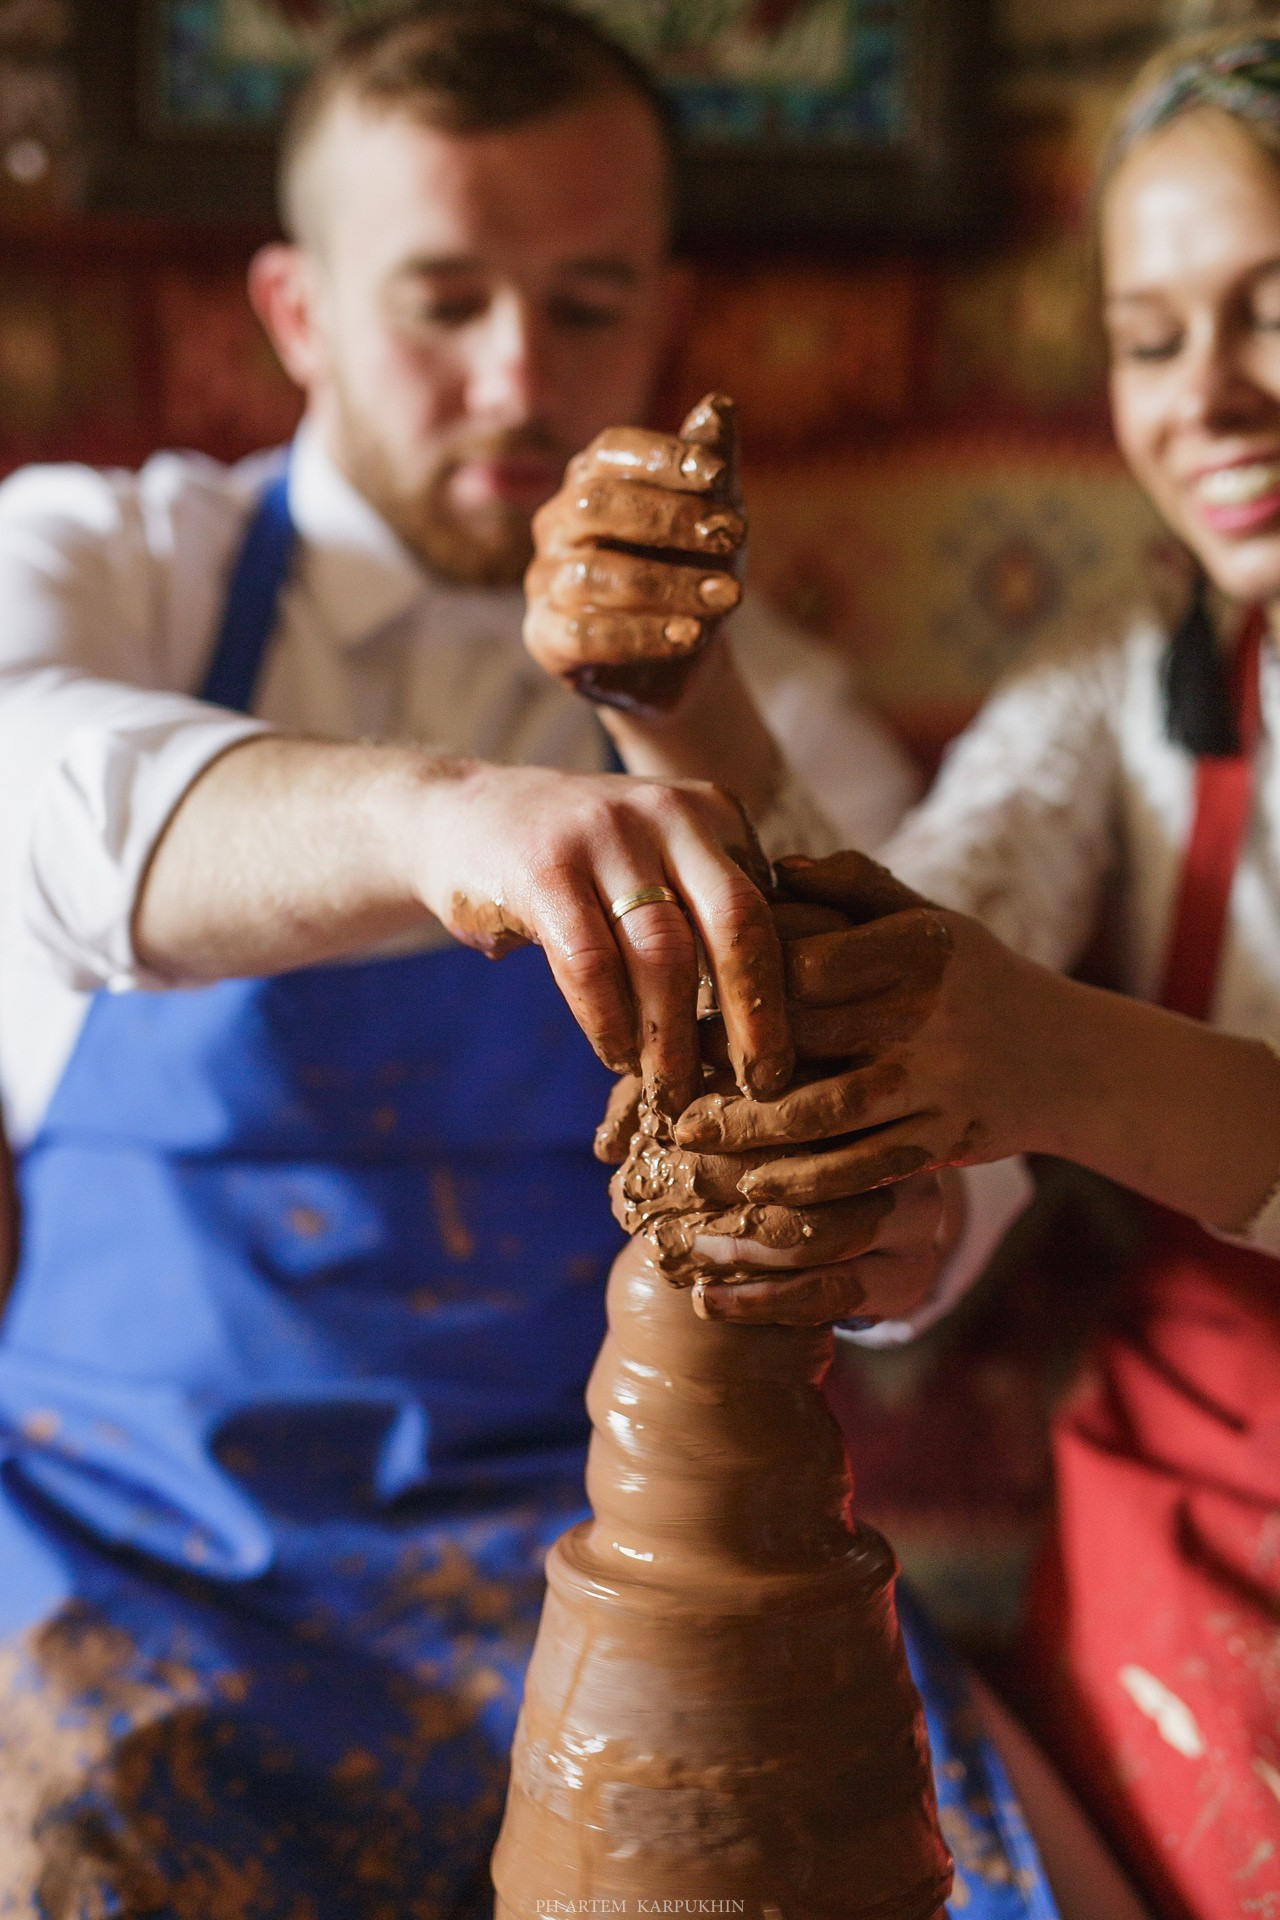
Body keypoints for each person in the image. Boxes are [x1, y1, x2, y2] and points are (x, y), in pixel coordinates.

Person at [0, 3, 1073, 1912]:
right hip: (130, 1554)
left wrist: (912, 1223)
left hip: (586, 1547)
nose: (515, 377)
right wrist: (442, 820)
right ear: (298, 310)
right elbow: (26, 779)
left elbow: (946, 1161)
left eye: (583, 307)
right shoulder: (115, 565)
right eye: (440, 300)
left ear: (663, 323)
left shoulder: (769, 707)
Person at [677, 26, 1280, 1920]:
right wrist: (679, 706)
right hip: (1186, 1478)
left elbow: (1017, 1033)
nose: (1214, 400)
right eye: (1153, 336)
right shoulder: (1125, 679)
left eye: (1277, 310)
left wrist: (1053, 1062)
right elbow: (938, 920)